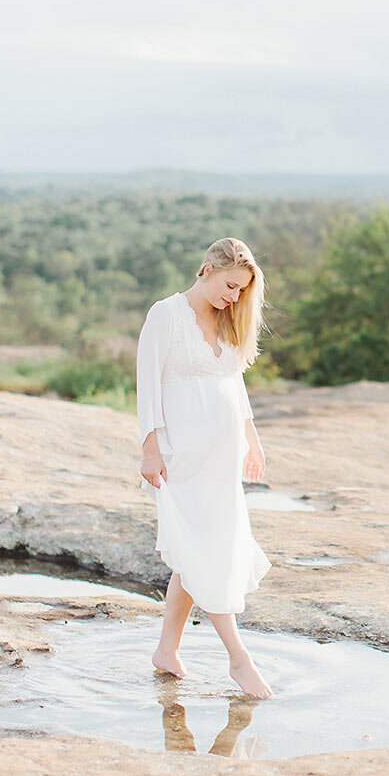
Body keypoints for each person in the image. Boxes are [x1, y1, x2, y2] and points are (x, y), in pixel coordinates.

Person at [136, 237, 273, 699]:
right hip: (183, 456)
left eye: (241, 291)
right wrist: (149, 449)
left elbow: (234, 382)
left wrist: (251, 437)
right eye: (230, 286)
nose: (233, 297)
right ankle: (239, 660)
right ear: (208, 269)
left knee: (197, 550)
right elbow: (146, 385)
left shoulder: (228, 318)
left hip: (222, 457)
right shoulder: (166, 315)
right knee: (206, 551)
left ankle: (166, 651)